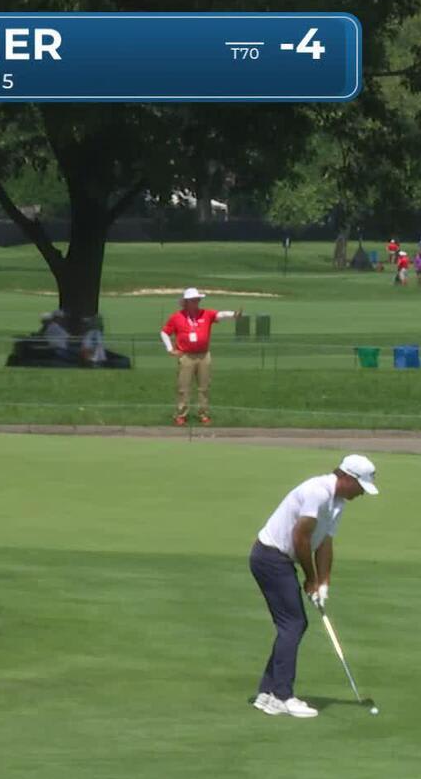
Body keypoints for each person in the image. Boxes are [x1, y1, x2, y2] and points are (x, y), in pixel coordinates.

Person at [249, 455, 379, 719]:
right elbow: (301, 538)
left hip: (280, 560)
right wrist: (310, 579)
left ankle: (267, 693)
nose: (362, 494)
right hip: (270, 557)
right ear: (347, 478)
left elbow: (324, 542)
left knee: (293, 624)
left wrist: (323, 582)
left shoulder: (338, 502)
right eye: (360, 487)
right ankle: (282, 696)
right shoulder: (317, 492)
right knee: (293, 624)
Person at [160, 288, 237, 426]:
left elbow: (220, 315)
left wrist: (233, 314)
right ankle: (181, 414)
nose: (197, 302)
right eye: (194, 300)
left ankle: (203, 414)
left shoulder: (205, 314)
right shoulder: (176, 317)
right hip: (186, 356)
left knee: (204, 387)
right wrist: (170, 349)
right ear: (186, 302)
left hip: (203, 356)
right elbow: (164, 332)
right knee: (183, 387)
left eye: (198, 300)